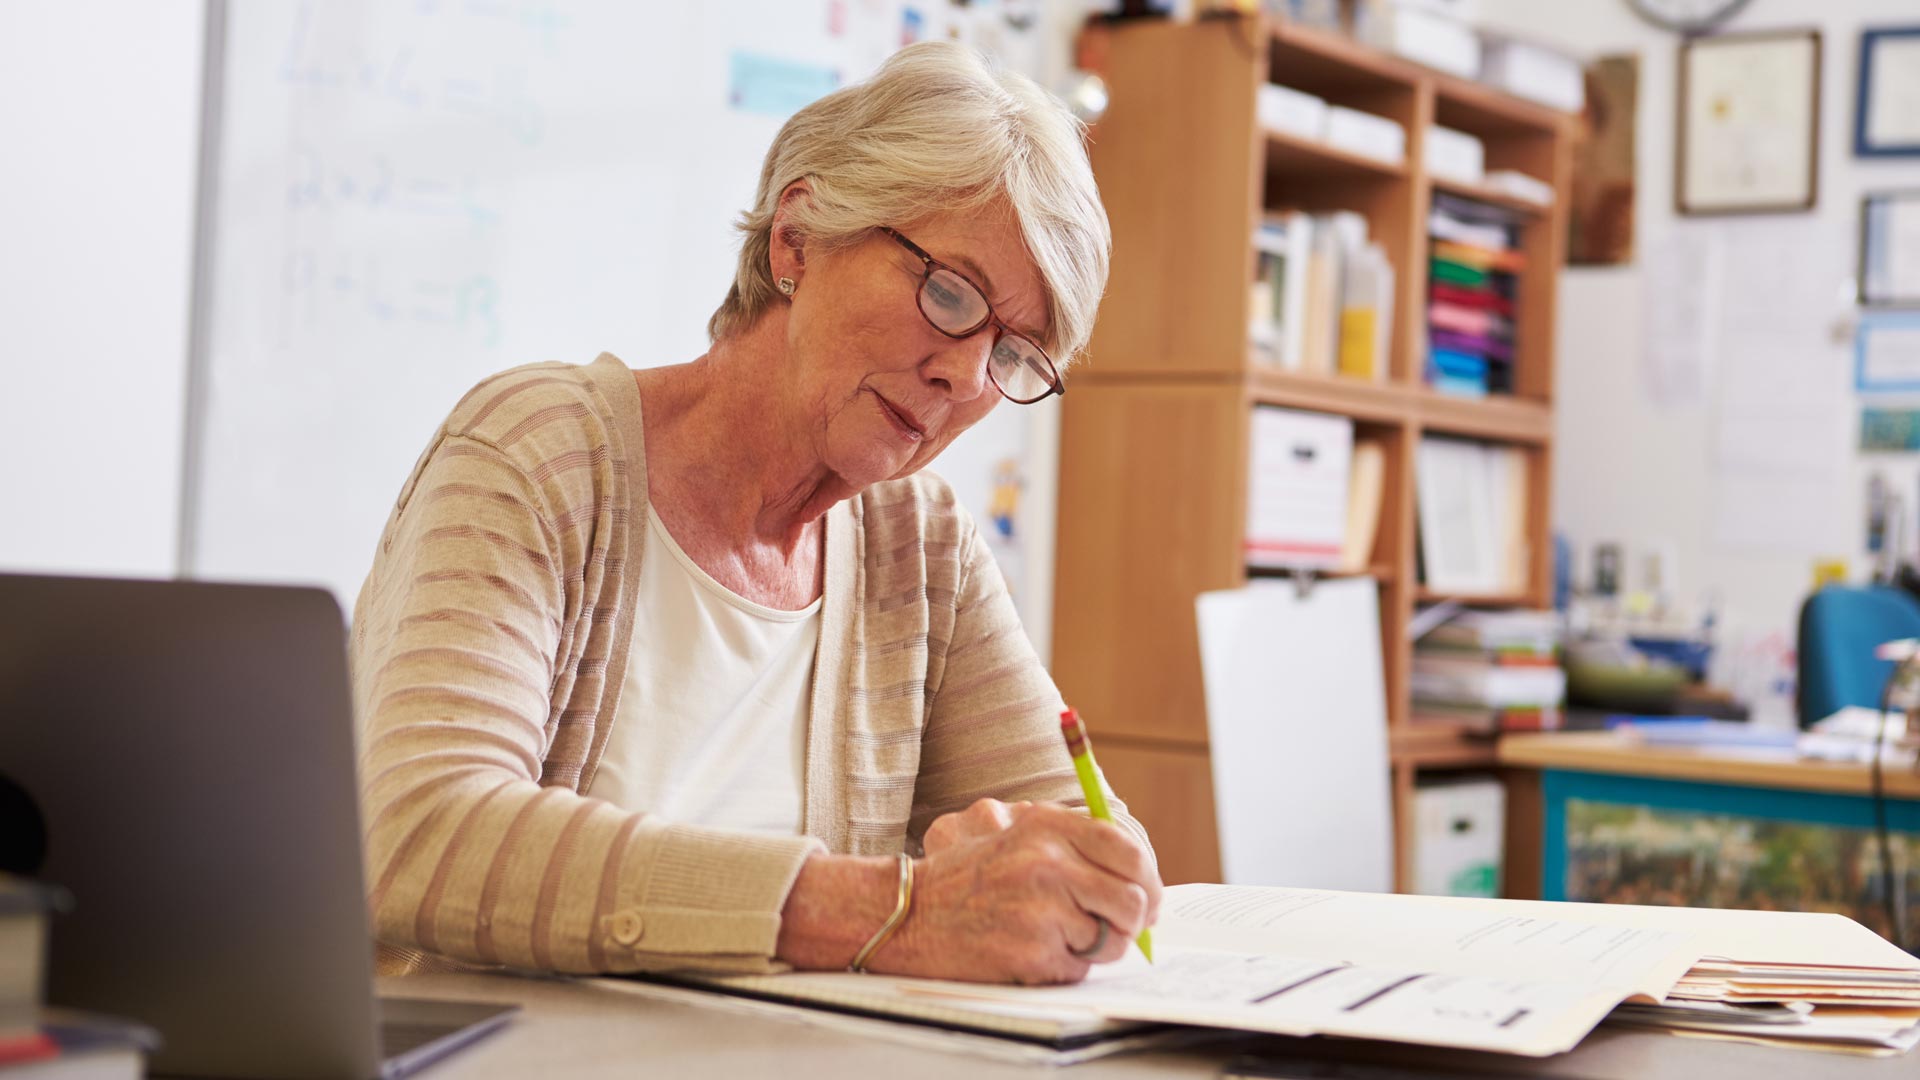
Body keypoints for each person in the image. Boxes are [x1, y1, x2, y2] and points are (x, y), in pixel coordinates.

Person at [351, 41, 1160, 986]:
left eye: (1014, 354)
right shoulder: (539, 453)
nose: (963, 374)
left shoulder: (921, 546)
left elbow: (1078, 845)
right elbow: (423, 833)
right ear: (798, 239)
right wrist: (893, 914)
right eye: (950, 295)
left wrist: (1089, 879)